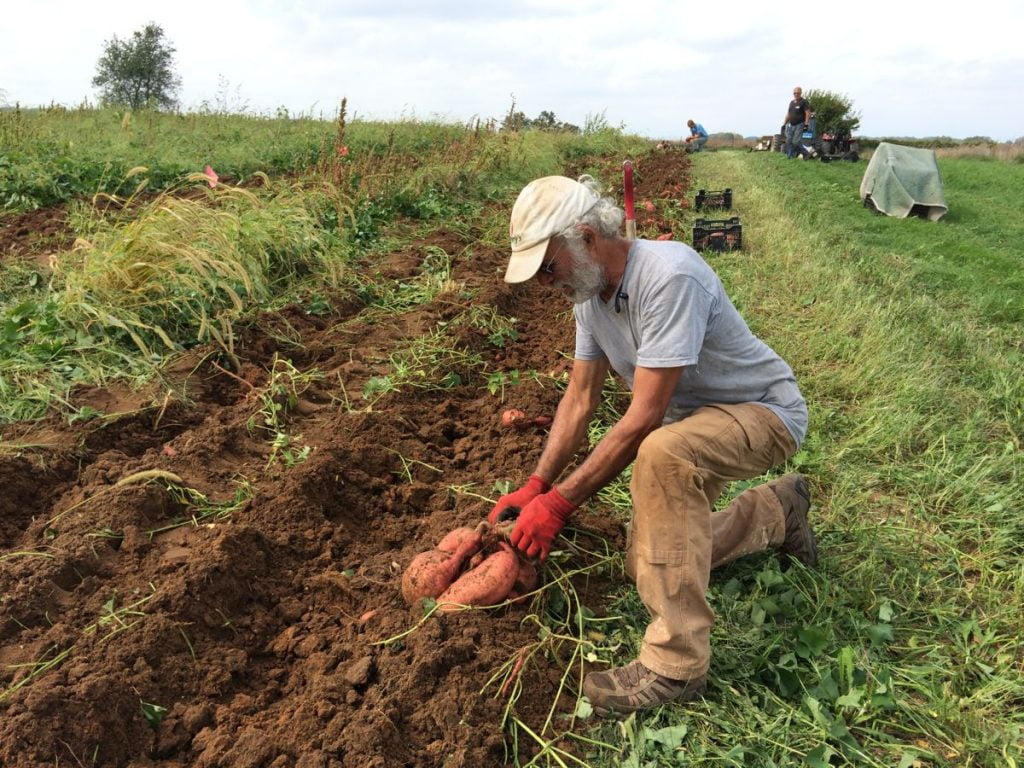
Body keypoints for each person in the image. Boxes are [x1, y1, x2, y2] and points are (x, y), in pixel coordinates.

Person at [490, 174, 818, 716]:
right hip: (695, 423)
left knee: (661, 453)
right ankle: (779, 511)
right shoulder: (591, 301)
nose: (547, 284)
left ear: (585, 237)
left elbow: (645, 417)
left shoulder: (669, 276)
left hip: (764, 414)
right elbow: (579, 399)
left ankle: (676, 666)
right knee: (646, 563)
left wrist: (561, 505)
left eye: (549, 267)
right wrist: (536, 486)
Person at [783, 87, 812, 159]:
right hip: (791, 124)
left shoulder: (804, 102)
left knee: (795, 142)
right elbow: (788, 114)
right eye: (794, 93)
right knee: (788, 140)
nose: (796, 94)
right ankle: (792, 156)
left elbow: (807, 113)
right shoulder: (791, 103)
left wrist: (806, 124)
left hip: (800, 124)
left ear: (801, 93)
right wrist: (784, 123)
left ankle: (801, 154)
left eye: (797, 93)